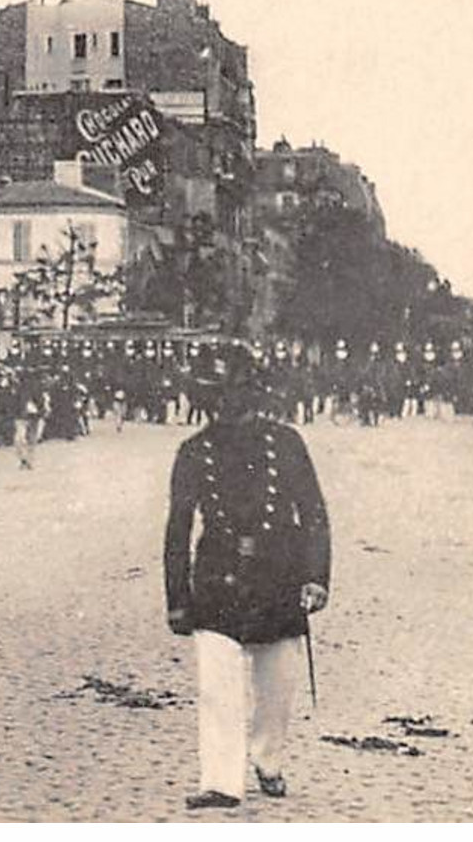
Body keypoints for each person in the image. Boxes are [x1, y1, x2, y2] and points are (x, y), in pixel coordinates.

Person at [163, 346, 332, 809]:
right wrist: (178, 599)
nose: (227, 405)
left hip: (278, 574)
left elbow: (314, 513)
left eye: (235, 393)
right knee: (217, 687)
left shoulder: (288, 443)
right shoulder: (193, 452)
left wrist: (316, 577)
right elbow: (178, 528)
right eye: (217, 396)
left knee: (277, 684)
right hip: (219, 576)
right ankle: (220, 780)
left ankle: (267, 756)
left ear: (254, 392)